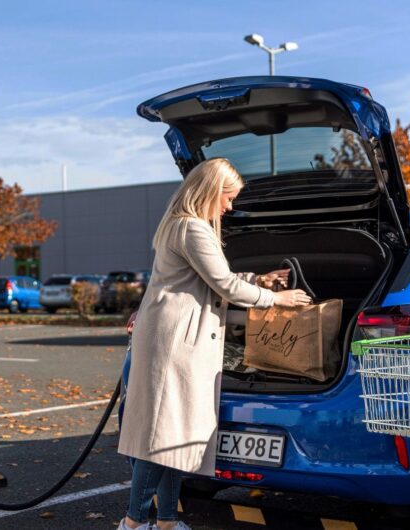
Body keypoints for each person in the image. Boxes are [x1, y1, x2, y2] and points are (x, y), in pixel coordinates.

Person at [117, 157, 311, 530]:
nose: (230, 206)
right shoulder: (192, 228)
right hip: (176, 342)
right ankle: (133, 523)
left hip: (175, 338)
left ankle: (168, 521)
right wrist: (277, 298)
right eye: (228, 197)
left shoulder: (182, 226)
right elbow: (223, 285)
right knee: (158, 438)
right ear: (209, 191)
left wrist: (258, 277)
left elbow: (212, 276)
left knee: (177, 435)